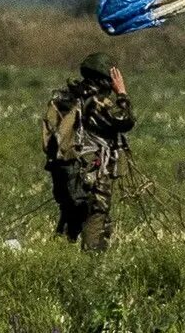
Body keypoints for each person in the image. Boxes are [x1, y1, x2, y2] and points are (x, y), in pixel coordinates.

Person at [43, 52, 135, 250]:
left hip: (66, 174)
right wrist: (122, 94)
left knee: (70, 221)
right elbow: (125, 120)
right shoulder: (98, 103)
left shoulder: (68, 99)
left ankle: (53, 261)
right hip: (93, 176)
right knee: (96, 222)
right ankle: (91, 270)